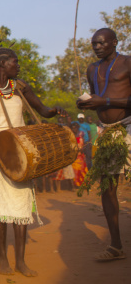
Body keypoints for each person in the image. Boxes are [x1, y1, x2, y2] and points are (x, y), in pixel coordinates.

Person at [0, 46, 65, 277]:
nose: (18, 66)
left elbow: (42, 110)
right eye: (15, 62)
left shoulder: (21, 87)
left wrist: (53, 111)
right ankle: (1, 257)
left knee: (21, 203)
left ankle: (20, 261)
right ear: (2, 65)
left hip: (19, 151)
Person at [77, 27, 131, 261]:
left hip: (129, 125)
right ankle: (116, 245)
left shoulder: (128, 63)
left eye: (101, 43)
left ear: (115, 42)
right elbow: (94, 96)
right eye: (94, 44)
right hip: (107, 132)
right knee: (108, 186)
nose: (97, 47)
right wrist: (86, 103)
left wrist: (105, 100)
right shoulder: (92, 69)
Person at [70, 122, 88, 187]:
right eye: (72, 128)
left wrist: (82, 149)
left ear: (77, 128)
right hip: (74, 156)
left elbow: (83, 145)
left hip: (80, 155)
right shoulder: (70, 136)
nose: (74, 129)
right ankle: (75, 184)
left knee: (82, 169)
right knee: (75, 170)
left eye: (75, 128)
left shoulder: (81, 136)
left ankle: (83, 184)